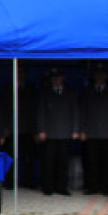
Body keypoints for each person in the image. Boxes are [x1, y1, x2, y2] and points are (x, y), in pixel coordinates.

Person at [79, 63, 108, 196]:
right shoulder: (88, 91)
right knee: (92, 162)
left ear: (106, 76)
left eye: (102, 75)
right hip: (91, 132)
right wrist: (82, 130)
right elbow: (83, 112)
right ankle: (93, 187)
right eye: (97, 75)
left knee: (107, 162)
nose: (100, 77)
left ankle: (106, 188)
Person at [37, 67, 79, 196]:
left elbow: (75, 112)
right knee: (48, 162)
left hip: (65, 132)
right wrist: (41, 130)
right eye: (54, 78)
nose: (56, 80)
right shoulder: (45, 93)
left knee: (63, 162)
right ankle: (48, 187)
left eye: (58, 78)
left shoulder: (70, 93)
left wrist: (75, 129)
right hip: (49, 133)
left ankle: (61, 187)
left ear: (63, 79)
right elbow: (41, 113)